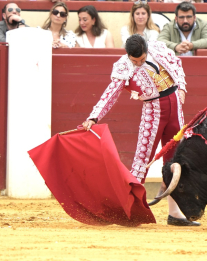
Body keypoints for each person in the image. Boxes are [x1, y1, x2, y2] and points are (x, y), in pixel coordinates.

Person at [82, 34, 200, 227]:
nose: (137, 64)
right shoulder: (124, 66)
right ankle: (128, 210)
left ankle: (175, 213)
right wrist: (94, 117)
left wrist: (182, 87)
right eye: (134, 61)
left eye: (142, 60)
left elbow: (176, 63)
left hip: (175, 106)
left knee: (175, 159)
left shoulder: (157, 48)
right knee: (141, 160)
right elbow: (110, 93)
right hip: (152, 109)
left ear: (147, 50)